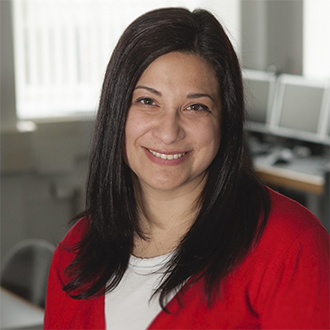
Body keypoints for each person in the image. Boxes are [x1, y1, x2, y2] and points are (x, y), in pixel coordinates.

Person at [44, 7, 329, 330]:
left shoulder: (290, 246)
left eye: (196, 107)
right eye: (147, 101)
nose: (168, 132)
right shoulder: (77, 250)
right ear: (116, 112)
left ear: (225, 120)